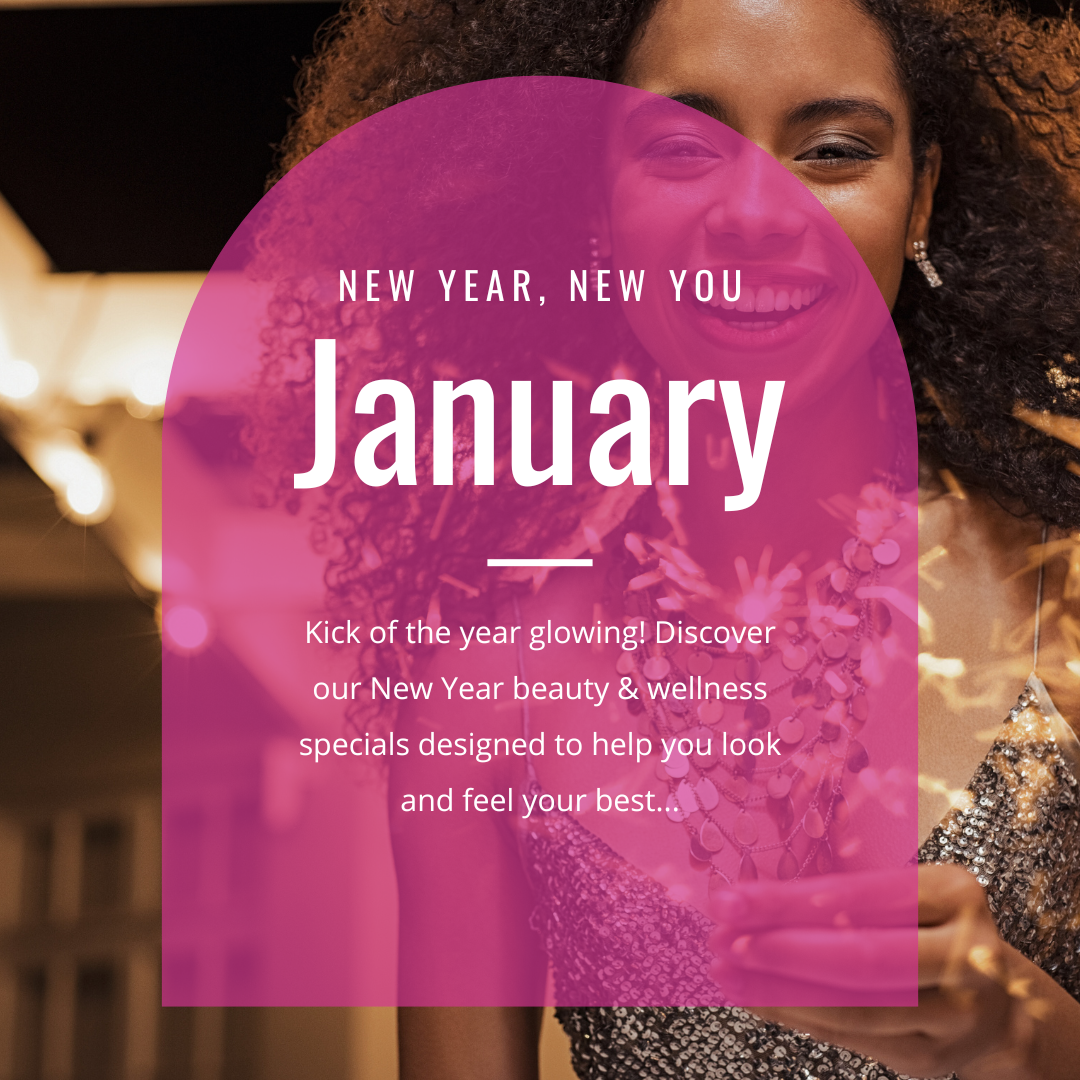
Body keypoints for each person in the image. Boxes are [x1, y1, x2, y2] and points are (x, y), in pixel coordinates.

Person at [263, 0, 1080, 1076]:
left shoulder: (1062, 601)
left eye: (834, 150)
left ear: (920, 195)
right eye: (683, 149)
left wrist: (1023, 1033)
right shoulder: (480, 684)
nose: (755, 212)